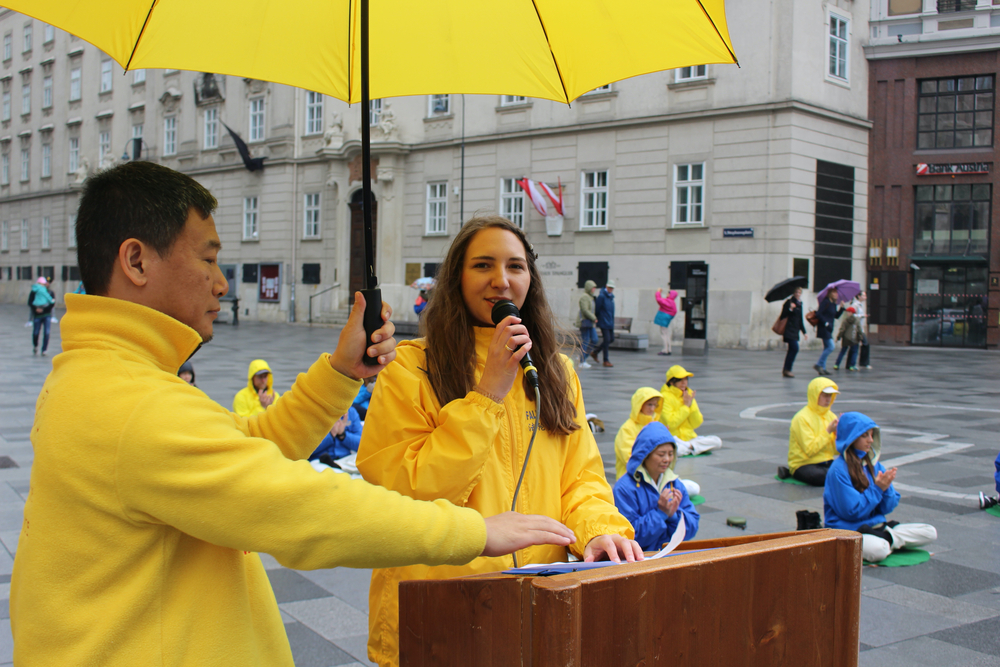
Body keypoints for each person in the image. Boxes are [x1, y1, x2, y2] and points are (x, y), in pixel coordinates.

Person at [11, 161, 575, 666]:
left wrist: (341, 372)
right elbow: (304, 508)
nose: (222, 282)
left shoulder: (103, 376)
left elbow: (248, 445)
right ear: (136, 260)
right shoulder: (134, 405)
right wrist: (475, 530)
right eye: (208, 258)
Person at [356, 215, 640, 667]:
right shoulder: (410, 370)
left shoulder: (556, 372)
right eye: (483, 265)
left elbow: (581, 479)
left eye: (515, 266)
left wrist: (598, 530)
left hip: (538, 603)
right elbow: (408, 492)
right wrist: (486, 394)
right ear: (456, 277)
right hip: (443, 609)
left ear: (531, 279)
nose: (501, 280)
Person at [823, 412, 937, 563]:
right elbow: (851, 512)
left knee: (930, 532)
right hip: (849, 531)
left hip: (876, 527)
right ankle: (889, 540)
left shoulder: (873, 465)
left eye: (872, 435)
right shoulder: (838, 470)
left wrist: (886, 487)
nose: (870, 440)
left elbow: (887, 508)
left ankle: (887, 539)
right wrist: (877, 489)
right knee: (879, 550)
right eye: (864, 436)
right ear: (851, 437)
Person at [613, 422, 700, 551]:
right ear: (645, 455)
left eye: (671, 454)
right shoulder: (624, 488)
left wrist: (674, 516)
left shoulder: (675, 483)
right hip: (640, 557)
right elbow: (628, 536)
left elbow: (692, 526)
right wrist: (660, 514)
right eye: (661, 454)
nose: (667, 459)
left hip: (670, 554)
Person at [615, 388, 701, 496]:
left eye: (655, 405)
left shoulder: (656, 424)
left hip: (657, 477)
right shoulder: (627, 429)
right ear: (639, 405)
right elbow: (630, 459)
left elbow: (697, 421)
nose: (652, 409)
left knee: (693, 488)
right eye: (649, 405)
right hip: (636, 480)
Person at [780, 376, 840, 486]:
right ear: (815, 395)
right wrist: (828, 431)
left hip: (826, 461)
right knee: (822, 476)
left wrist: (840, 435)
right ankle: (792, 472)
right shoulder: (801, 418)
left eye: (830, 395)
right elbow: (810, 450)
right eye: (825, 395)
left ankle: (832, 474)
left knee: (851, 472)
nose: (828, 399)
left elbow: (835, 451)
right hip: (804, 463)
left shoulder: (831, 416)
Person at [658, 365, 722, 456]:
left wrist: (690, 405)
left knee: (717, 441)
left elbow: (696, 423)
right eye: (680, 380)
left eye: (686, 379)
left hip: (689, 439)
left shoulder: (689, 395)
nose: (684, 383)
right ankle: (693, 448)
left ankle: (690, 447)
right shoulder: (664, 397)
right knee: (677, 450)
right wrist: (685, 407)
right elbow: (671, 423)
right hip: (673, 438)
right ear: (671, 382)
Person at [814, 287, 843, 375]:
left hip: (829, 328)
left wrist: (841, 308)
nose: (836, 294)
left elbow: (836, 316)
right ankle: (818, 364)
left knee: (827, 348)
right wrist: (825, 322)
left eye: (836, 293)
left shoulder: (833, 304)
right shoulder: (825, 302)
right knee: (831, 346)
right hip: (824, 328)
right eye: (834, 292)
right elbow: (818, 313)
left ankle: (823, 368)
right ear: (830, 293)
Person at [780, 286, 807, 378]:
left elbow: (800, 319)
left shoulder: (800, 304)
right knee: (795, 348)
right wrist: (790, 309)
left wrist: (804, 332)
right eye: (796, 292)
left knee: (791, 350)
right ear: (793, 293)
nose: (797, 294)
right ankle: (787, 369)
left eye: (799, 292)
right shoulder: (788, 302)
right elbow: (783, 315)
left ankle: (786, 369)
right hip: (789, 330)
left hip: (795, 331)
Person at [29, 277, 56, 356]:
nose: (46, 284)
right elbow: (30, 302)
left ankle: (44, 349)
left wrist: (43, 310)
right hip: (37, 315)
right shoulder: (34, 291)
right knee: (36, 332)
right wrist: (36, 309)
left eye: (48, 283)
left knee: (47, 332)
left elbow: (52, 304)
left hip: (47, 315)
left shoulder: (50, 292)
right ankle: (35, 345)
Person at [577, 279, 598, 369]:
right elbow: (585, 310)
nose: (594, 289)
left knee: (594, 339)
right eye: (593, 287)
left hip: (590, 323)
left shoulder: (590, 297)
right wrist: (594, 318)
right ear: (589, 287)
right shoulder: (584, 297)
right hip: (585, 322)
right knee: (585, 341)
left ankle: (583, 357)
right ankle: (582, 361)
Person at [833, 306, 862, 371]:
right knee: (854, 352)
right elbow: (859, 330)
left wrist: (838, 337)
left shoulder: (845, 320)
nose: (847, 313)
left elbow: (842, 330)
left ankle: (837, 364)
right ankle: (852, 366)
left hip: (846, 338)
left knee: (842, 352)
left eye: (848, 312)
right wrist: (861, 337)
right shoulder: (857, 320)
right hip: (854, 338)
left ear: (851, 312)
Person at [595, 279, 616, 367]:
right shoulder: (602, 296)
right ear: (606, 286)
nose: (611, 289)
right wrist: (597, 319)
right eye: (609, 287)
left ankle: (595, 352)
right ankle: (606, 360)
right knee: (607, 340)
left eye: (612, 288)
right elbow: (597, 309)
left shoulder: (611, 297)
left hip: (610, 322)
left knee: (611, 339)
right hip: (603, 322)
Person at [654, 287, 678, 356]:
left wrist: (658, 292)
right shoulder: (672, 302)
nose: (667, 294)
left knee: (664, 334)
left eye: (668, 293)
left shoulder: (668, 301)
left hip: (663, 318)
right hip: (666, 318)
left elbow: (659, 300)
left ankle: (665, 350)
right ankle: (668, 349)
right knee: (666, 334)